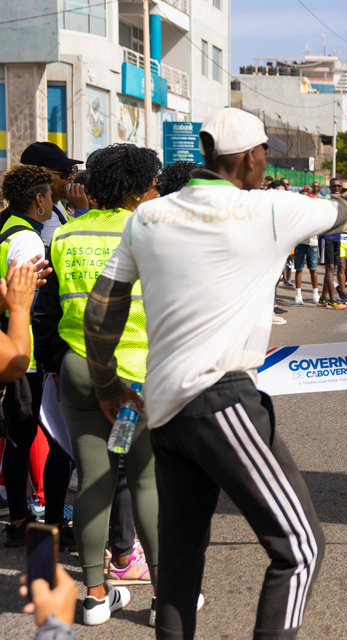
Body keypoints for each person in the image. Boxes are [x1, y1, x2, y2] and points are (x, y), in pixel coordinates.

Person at [81, 107, 347, 638]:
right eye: (264, 152)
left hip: (164, 412)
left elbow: (102, 307)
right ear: (251, 158)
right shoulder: (267, 210)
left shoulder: (148, 218)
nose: (265, 160)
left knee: (178, 567)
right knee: (301, 549)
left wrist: (107, 385)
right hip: (220, 401)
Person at [34, 144, 162, 626]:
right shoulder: (148, 234)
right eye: (151, 183)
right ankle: (166, 598)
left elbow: (49, 311)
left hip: (78, 375)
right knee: (145, 478)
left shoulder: (65, 234)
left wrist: (54, 365)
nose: (155, 192)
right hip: (130, 379)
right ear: (134, 189)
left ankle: (93, 596)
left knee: (94, 479)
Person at [0, 165, 72, 553]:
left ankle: (18, 518)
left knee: (16, 437)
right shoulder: (27, 240)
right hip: (20, 352)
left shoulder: (3, 227)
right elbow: (27, 301)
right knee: (29, 435)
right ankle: (28, 521)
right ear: (40, 198)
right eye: (48, 195)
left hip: (8, 346)